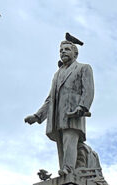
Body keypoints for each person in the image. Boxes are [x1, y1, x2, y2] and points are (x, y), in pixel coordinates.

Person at [25, 36, 95, 177]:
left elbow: (88, 90)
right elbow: (50, 99)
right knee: (62, 146)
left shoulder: (83, 68)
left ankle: (68, 170)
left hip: (73, 114)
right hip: (57, 116)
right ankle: (65, 170)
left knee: (70, 141)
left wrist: (82, 107)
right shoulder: (57, 74)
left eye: (67, 49)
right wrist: (37, 116)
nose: (63, 52)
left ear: (75, 53)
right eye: (61, 50)